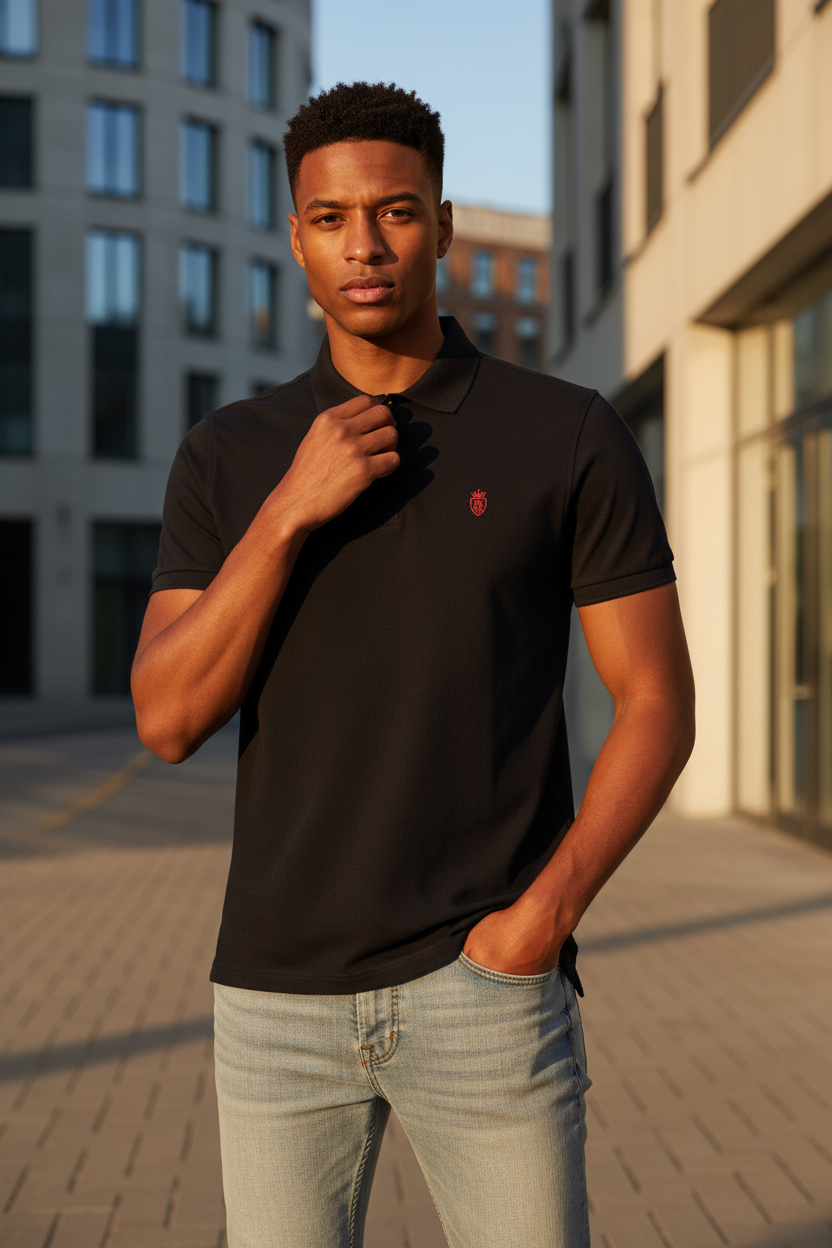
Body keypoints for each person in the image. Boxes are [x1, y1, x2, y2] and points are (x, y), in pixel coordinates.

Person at [132, 81, 695, 1248]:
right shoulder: (230, 455)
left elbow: (656, 702)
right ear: (293, 237)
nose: (365, 247)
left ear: (442, 225)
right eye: (330, 219)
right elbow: (168, 716)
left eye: (394, 213)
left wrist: (542, 920)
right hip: (277, 1000)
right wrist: (290, 510)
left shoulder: (565, 433)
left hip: (484, 988)